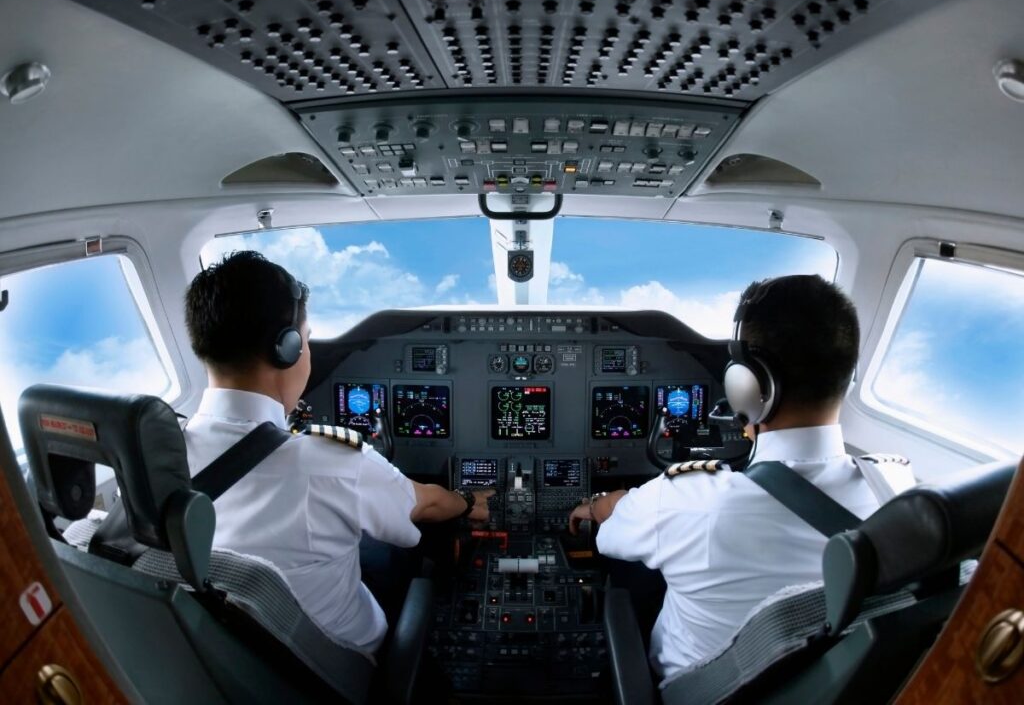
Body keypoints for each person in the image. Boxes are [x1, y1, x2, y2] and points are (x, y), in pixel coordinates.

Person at [568, 275, 914, 683]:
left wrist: (593, 505)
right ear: (848, 374)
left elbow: (610, 538)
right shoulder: (899, 489)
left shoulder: (688, 500)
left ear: (748, 386)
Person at [183, 250, 491, 657]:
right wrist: (470, 501)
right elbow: (426, 505)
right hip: (336, 667)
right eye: (306, 339)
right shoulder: (330, 462)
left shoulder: (163, 456)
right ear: (287, 349)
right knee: (408, 556)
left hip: (227, 658)